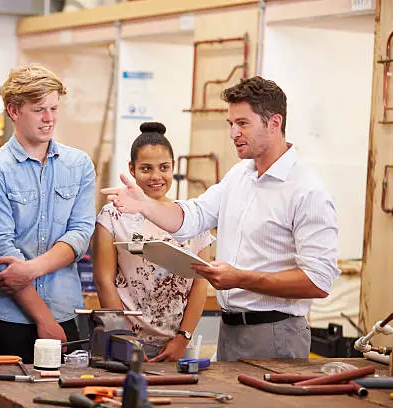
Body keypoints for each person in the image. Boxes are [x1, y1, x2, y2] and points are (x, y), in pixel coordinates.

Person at [102, 76, 340, 362]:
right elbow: (193, 217)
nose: (233, 133)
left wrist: (241, 278)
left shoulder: (306, 190)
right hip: (230, 332)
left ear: (274, 123)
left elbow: (319, 281)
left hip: (276, 333)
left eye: (243, 123)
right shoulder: (239, 176)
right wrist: (144, 205)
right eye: (231, 124)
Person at [0, 64, 96, 363]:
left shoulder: (79, 164)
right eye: (39, 109)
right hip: (9, 319)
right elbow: (1, 250)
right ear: (14, 111)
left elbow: (81, 234)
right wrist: (43, 319)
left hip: (66, 311)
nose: (49, 119)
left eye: (54, 108)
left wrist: (31, 269)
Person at [93, 122, 213, 361]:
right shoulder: (113, 215)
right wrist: (124, 338)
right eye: (146, 168)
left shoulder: (190, 217)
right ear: (132, 168)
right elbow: (103, 280)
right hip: (124, 342)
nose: (156, 177)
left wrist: (183, 337)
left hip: (176, 346)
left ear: (173, 167)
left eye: (164, 168)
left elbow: (201, 282)